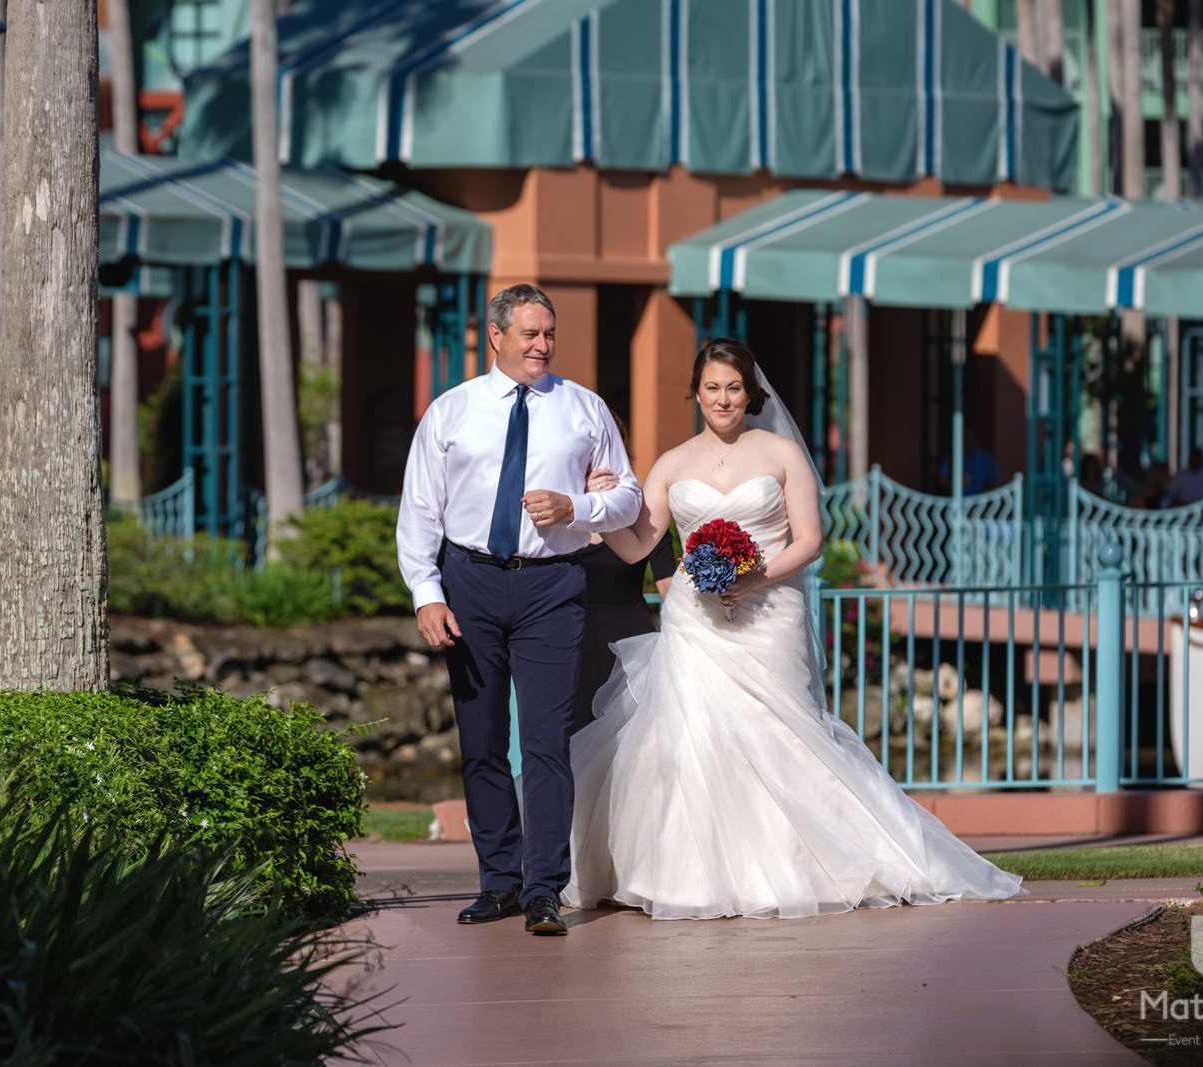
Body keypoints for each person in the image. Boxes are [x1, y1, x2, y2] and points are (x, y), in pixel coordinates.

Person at [566, 338, 1023, 919]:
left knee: (779, 732)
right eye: (711, 388)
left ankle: (808, 865)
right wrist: (597, 507)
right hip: (694, 619)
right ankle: (685, 877)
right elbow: (637, 550)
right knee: (689, 738)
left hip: (767, 613)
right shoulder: (672, 463)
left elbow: (808, 540)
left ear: (750, 393)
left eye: (733, 387)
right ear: (696, 392)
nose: (722, 399)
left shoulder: (780, 452)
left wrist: (754, 578)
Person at [396, 284, 642, 936]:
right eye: (530, 333)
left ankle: (543, 890)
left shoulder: (583, 409)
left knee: (544, 742)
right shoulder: (451, 412)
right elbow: (419, 510)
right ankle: (498, 883)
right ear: (497, 336)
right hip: (469, 581)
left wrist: (576, 509)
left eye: (549, 334)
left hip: (552, 586)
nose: (542, 345)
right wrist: (427, 593)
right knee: (480, 742)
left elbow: (628, 498)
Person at [572, 411, 676, 735]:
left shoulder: (642, 510)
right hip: (570, 643)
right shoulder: (557, 510)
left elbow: (669, 587)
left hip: (630, 648)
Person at [936, 427, 1003, 494]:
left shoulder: (985, 458)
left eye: (970, 437)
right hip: (956, 498)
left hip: (980, 500)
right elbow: (941, 479)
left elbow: (995, 480)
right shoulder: (953, 457)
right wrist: (955, 485)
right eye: (965, 438)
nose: (968, 441)